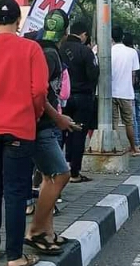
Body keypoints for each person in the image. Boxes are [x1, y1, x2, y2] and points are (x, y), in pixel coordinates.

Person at [0, 0, 48, 266]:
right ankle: (15, 256)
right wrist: (35, 112)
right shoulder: (31, 48)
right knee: (16, 190)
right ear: (19, 20)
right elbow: (39, 89)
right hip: (19, 127)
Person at [25, 9, 75, 257]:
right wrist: (58, 118)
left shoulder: (41, 49)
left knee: (48, 177)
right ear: (66, 32)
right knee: (61, 175)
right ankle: (35, 231)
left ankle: (47, 230)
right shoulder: (49, 55)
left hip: (44, 123)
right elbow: (36, 91)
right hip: (41, 125)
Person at [60, 21, 99, 183]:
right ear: (83, 34)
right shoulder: (86, 52)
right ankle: (74, 172)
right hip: (82, 98)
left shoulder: (59, 49)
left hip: (62, 99)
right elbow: (94, 75)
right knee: (78, 134)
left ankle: (57, 170)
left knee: (60, 134)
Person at [111, 26, 140, 156]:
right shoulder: (132, 52)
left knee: (114, 123)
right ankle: (133, 147)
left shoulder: (108, 51)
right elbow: (133, 75)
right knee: (129, 122)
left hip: (111, 92)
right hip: (126, 92)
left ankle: (116, 146)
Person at [123, 32, 140, 150]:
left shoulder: (125, 54)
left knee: (132, 117)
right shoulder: (139, 54)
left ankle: (135, 143)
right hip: (139, 89)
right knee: (139, 116)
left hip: (130, 89)